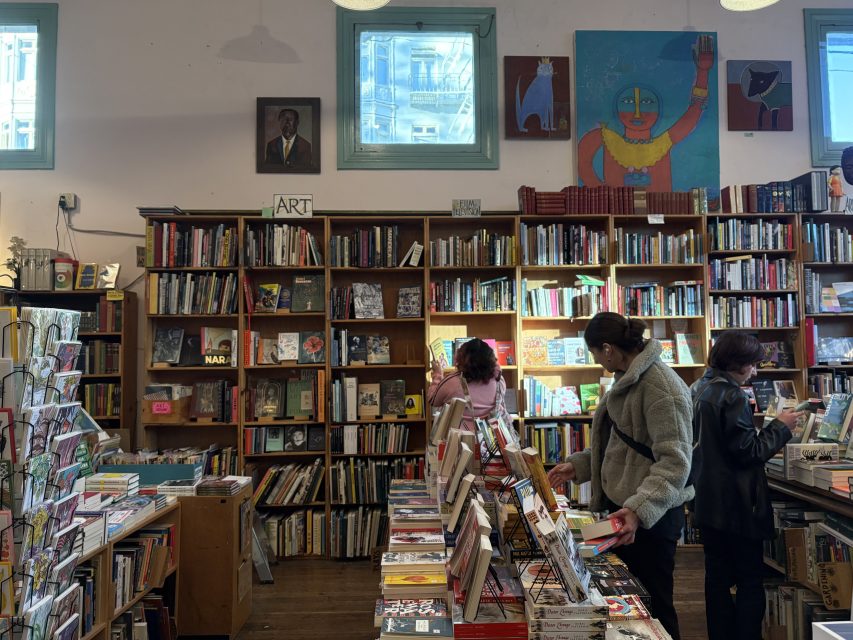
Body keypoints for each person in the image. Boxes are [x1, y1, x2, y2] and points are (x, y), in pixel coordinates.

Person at [546, 312, 693, 639]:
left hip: (647, 519)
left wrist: (639, 511)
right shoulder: (626, 378)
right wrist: (578, 465)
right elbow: (619, 441)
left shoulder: (662, 388)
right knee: (624, 606)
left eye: (595, 352)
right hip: (622, 511)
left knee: (653, 609)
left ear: (609, 349)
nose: (596, 360)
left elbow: (675, 463)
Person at [690, 331, 800, 640]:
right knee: (751, 581)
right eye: (752, 365)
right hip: (738, 507)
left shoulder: (701, 388)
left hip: (708, 503)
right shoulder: (732, 394)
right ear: (737, 364)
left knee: (717, 581)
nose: (755, 371)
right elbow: (748, 452)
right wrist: (781, 427)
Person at [428, 338, 510, 432]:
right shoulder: (499, 379)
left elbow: (433, 400)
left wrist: (437, 374)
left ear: (461, 358)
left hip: (459, 441)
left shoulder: (452, 382)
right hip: (492, 442)